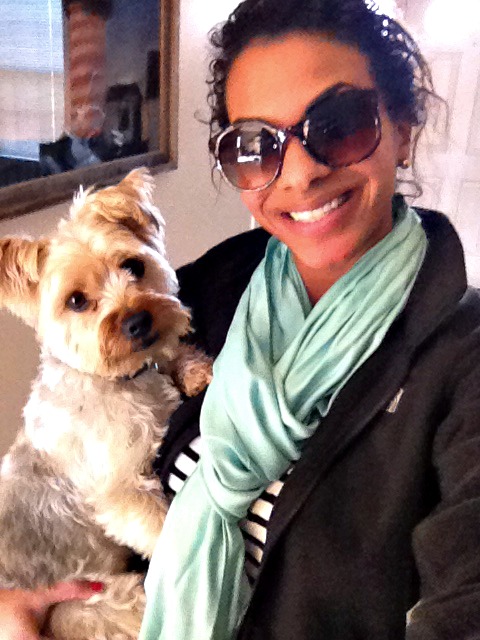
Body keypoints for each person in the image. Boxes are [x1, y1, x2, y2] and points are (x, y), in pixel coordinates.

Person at [2, 0, 480, 638]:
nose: (301, 173)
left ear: (404, 128)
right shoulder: (217, 288)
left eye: (340, 123)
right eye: (256, 144)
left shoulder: (465, 362)